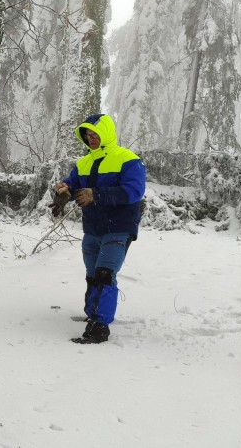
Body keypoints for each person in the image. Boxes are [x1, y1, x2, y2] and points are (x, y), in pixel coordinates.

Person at [52, 114, 146, 344]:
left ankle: (100, 327)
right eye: (88, 136)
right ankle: (92, 314)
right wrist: (63, 190)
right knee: (93, 275)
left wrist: (97, 194)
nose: (91, 139)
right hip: (92, 228)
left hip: (119, 227)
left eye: (96, 134)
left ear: (107, 133)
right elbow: (73, 185)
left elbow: (134, 191)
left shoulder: (128, 160)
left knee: (105, 274)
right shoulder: (83, 163)